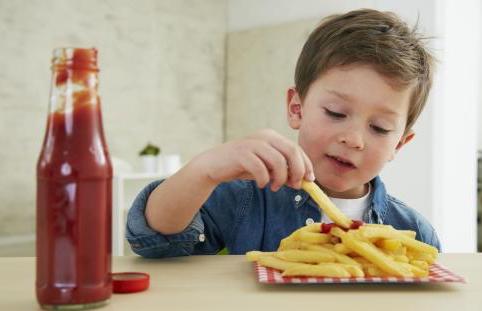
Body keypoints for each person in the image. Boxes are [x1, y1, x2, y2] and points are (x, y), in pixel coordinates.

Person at [126, 8, 441, 258]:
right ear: (296, 109)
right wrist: (204, 171)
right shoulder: (244, 198)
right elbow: (154, 239)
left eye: (380, 128)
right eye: (335, 112)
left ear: (399, 144)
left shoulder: (413, 233)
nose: (354, 139)